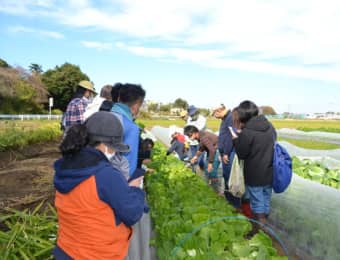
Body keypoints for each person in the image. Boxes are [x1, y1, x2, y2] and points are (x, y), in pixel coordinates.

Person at [53, 112, 146, 259]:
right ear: (104, 145)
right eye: (114, 147)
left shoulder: (65, 167)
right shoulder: (105, 174)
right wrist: (135, 189)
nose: (114, 152)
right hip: (96, 254)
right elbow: (132, 213)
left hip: (67, 250)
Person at [230, 100, 276, 234]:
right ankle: (264, 225)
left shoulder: (247, 132)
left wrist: (235, 140)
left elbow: (242, 154)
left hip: (254, 174)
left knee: (257, 203)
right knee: (265, 200)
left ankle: (257, 230)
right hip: (269, 170)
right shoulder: (269, 126)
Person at [111, 83, 146, 176]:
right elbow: (128, 165)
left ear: (118, 99)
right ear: (136, 105)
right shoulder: (131, 128)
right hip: (114, 179)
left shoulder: (99, 116)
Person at [212, 104, 240, 208]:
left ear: (219, 110)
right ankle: (228, 197)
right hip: (225, 153)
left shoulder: (230, 118)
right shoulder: (225, 118)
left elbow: (230, 137)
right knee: (226, 175)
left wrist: (226, 153)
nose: (214, 116)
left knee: (230, 178)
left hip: (230, 153)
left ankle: (234, 203)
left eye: (214, 113)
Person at [184, 125, 222, 194]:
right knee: (207, 171)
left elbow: (212, 150)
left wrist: (210, 163)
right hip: (211, 151)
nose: (189, 138)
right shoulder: (199, 136)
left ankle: (217, 192)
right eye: (188, 136)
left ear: (195, 132)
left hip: (216, 150)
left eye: (190, 135)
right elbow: (201, 148)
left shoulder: (203, 137)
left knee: (212, 172)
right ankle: (211, 188)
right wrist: (195, 157)